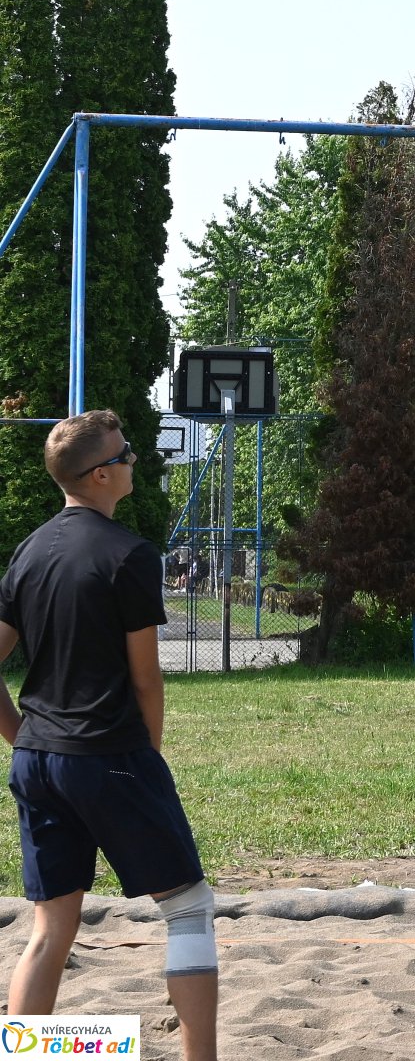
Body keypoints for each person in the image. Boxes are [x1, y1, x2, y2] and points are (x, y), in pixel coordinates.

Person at [0, 410, 218, 1058]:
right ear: (100, 476)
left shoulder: (31, 549)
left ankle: (34, 1054)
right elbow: (146, 679)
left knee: (50, 930)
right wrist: (147, 755)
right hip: (109, 754)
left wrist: (22, 736)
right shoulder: (130, 555)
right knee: (188, 908)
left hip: (39, 760)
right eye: (126, 456)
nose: (132, 464)